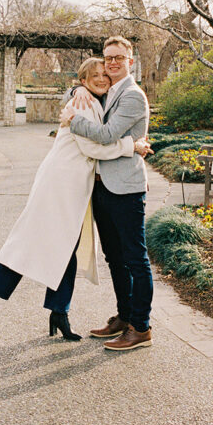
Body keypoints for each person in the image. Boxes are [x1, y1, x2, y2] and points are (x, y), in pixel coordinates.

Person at [0, 57, 153, 340]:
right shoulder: (81, 103)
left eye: (104, 74)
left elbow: (96, 132)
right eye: (94, 76)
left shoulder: (93, 100)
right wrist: (133, 145)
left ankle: (59, 313)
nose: (102, 78)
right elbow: (95, 147)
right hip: (59, 185)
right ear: (83, 81)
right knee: (30, 239)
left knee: (66, 248)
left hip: (74, 188)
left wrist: (75, 90)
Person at [59, 35, 153, 351]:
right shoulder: (107, 92)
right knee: (115, 258)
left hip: (126, 189)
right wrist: (75, 92)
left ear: (131, 59)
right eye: (108, 57)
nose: (112, 63)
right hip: (102, 187)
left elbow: (107, 134)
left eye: (118, 58)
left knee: (135, 260)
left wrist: (72, 121)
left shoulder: (132, 96)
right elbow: (77, 93)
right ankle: (124, 317)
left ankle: (140, 328)